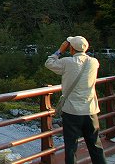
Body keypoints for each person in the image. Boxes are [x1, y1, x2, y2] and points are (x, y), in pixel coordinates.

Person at [45, 36, 107, 164]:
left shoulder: (67, 62)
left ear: (71, 48)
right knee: (95, 145)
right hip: (90, 109)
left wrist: (60, 51)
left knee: (71, 147)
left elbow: (49, 63)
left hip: (72, 111)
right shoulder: (94, 62)